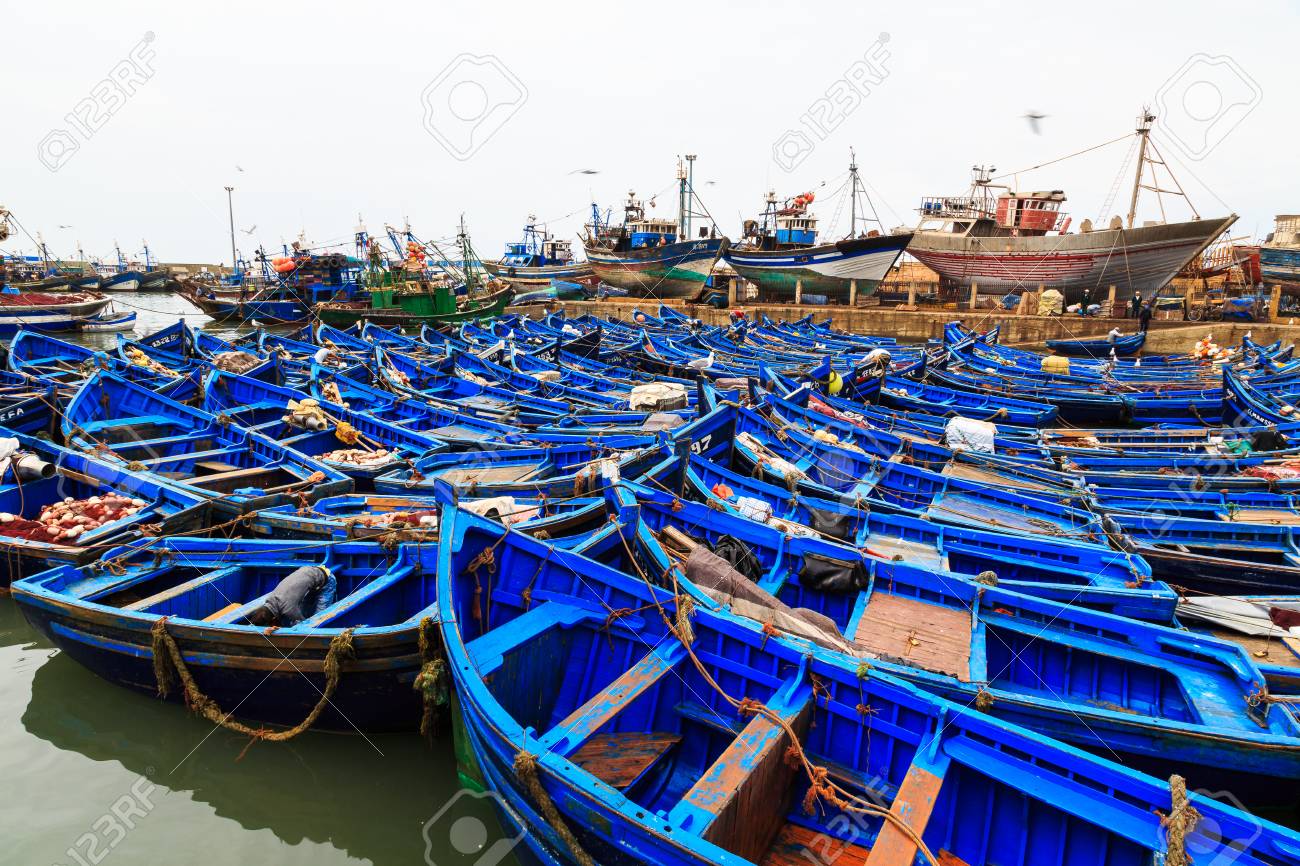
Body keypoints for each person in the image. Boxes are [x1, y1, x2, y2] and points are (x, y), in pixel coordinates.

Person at [245, 565, 337, 627]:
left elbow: (304, 625)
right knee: (304, 612)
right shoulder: (270, 599)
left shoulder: (289, 609)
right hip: (309, 571)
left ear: (273, 618)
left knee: (318, 620)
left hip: (326, 580)